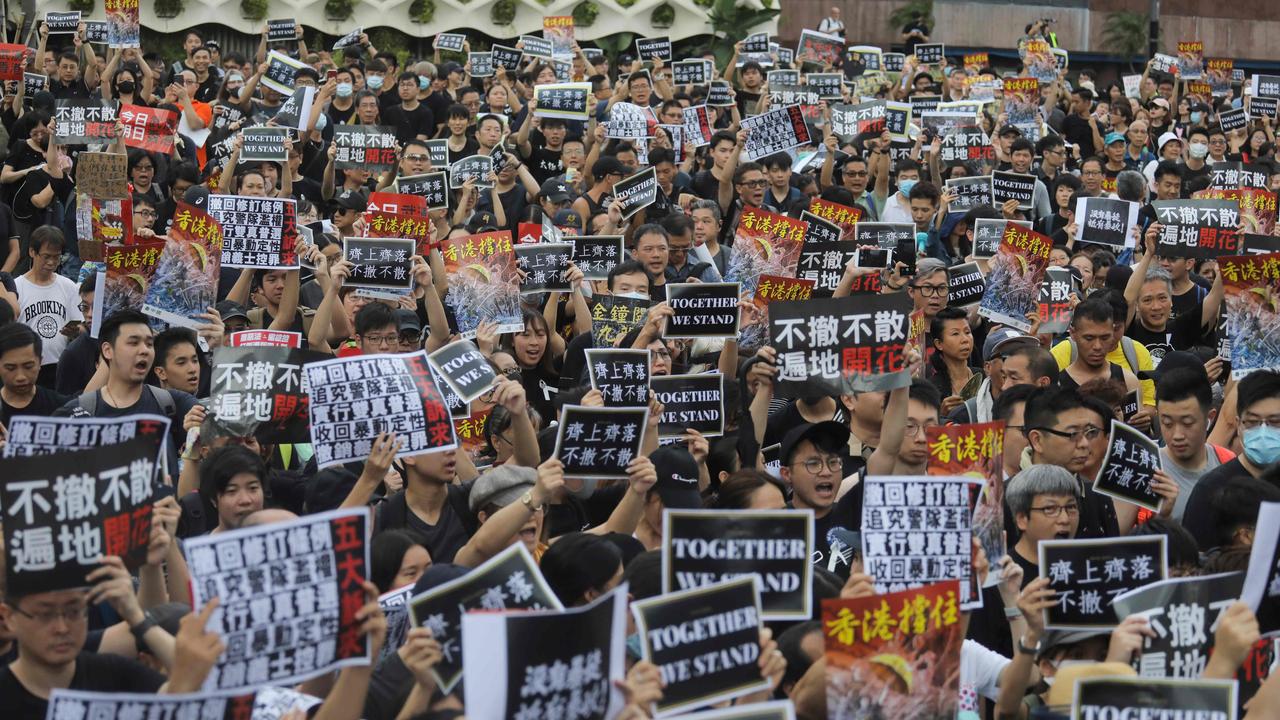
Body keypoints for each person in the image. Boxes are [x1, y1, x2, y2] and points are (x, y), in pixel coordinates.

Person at [14, 226, 81, 387]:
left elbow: (80, 324)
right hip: (26, 368)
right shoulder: (16, 288)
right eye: (46, 256)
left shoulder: (68, 286)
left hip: (59, 366)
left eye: (56, 257)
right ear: (32, 252)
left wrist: (75, 330)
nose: (51, 262)